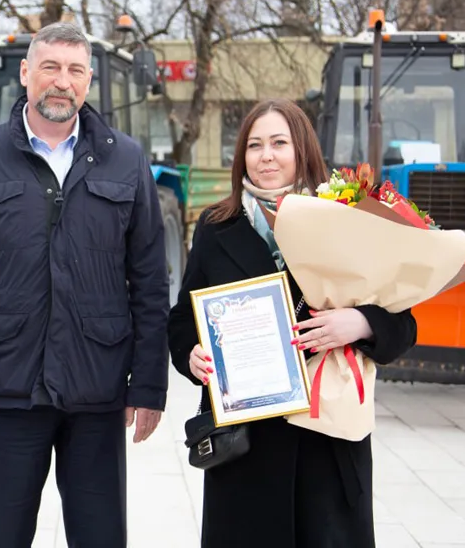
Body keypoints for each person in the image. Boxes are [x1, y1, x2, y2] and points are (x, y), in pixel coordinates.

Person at [0, 21, 171, 548]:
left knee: (102, 537)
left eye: (75, 70)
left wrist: (149, 385)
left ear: (88, 82)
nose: (62, 81)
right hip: (6, 389)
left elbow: (151, 283)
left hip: (98, 392)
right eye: (50, 67)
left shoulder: (126, 160)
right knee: (3, 536)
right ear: (26, 73)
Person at [167, 98, 418, 548]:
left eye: (279, 143)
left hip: (327, 442)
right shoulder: (216, 224)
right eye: (254, 145)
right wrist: (192, 355)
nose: (266, 155)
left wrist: (360, 323)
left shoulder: (347, 216)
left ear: (301, 149)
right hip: (246, 444)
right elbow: (184, 319)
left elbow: (405, 323)